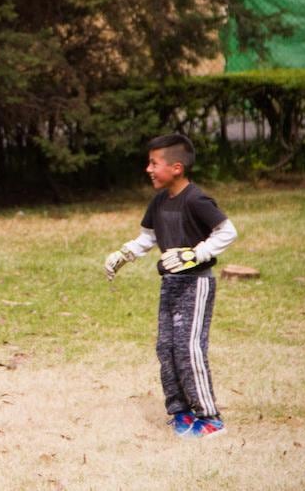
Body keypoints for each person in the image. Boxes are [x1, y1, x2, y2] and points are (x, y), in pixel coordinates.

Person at [104, 134, 237, 439]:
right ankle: (181, 411)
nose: (148, 169)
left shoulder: (196, 200)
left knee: (189, 348)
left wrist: (196, 254)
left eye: (154, 163)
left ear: (176, 168)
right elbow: (148, 238)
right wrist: (124, 254)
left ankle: (210, 418)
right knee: (166, 348)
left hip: (196, 283)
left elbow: (227, 232)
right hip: (170, 283)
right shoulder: (159, 202)